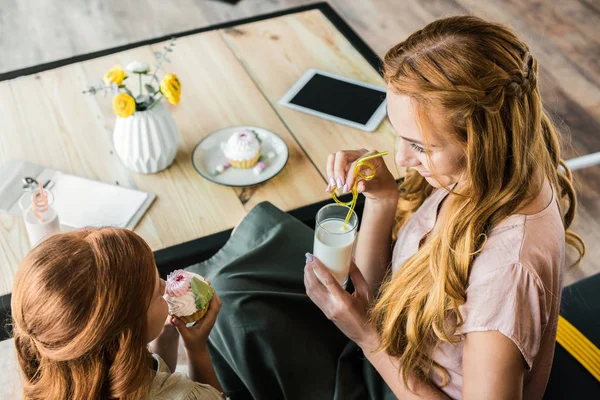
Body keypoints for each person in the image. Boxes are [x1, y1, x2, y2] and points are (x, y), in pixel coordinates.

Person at [186, 15, 585, 400]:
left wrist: (365, 335)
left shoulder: (505, 274)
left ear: (480, 143)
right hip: (395, 335)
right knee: (237, 280)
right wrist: (381, 199)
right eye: (400, 136)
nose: (402, 159)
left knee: (238, 314)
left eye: (419, 146)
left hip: (397, 380)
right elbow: (381, 288)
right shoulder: (494, 168)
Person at [11, 227, 225, 399]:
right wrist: (196, 349)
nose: (163, 286)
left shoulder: (54, 365)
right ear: (127, 335)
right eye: (155, 294)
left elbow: (156, 376)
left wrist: (166, 332)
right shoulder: (185, 396)